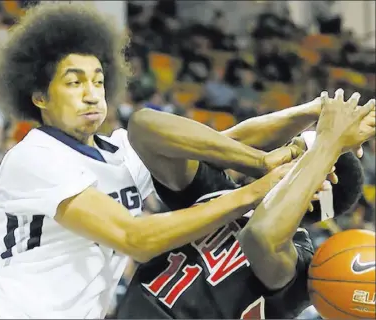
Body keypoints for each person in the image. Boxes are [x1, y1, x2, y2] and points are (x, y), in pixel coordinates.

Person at [0, 2, 303, 319]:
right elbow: (136, 239)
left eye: (98, 81)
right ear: (39, 96)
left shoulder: (119, 152)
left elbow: (224, 142)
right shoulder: (35, 156)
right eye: (74, 83)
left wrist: (313, 112)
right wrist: (256, 190)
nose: (91, 93)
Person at [116, 89, 375, 318]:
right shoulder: (222, 194)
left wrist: (330, 143)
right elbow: (144, 126)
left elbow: (259, 236)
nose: (282, 152)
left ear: (318, 190)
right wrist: (313, 110)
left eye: (295, 154)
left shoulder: (301, 264)